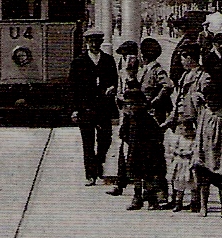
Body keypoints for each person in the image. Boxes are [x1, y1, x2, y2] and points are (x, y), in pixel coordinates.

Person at [69, 28, 117, 186]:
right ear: (87, 42)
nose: (94, 44)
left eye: (97, 41)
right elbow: (72, 88)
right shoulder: (78, 62)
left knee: (106, 138)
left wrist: (112, 88)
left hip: (103, 107)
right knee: (88, 142)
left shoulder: (109, 60)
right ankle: (90, 174)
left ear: (101, 42)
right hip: (85, 107)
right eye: (91, 41)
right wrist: (75, 109)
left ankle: (99, 162)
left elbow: (114, 81)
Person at [118, 88, 166, 210]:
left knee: (148, 176)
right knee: (136, 176)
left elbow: (157, 135)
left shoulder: (147, 119)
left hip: (148, 153)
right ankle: (137, 197)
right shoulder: (129, 119)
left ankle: (151, 198)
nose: (130, 107)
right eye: (128, 104)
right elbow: (123, 133)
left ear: (141, 104)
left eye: (133, 104)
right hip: (134, 151)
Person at [191, 82, 222, 217]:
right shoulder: (204, 112)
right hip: (205, 151)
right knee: (204, 183)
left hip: (220, 152)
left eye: (216, 100)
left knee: (221, 182)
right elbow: (195, 97)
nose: (212, 103)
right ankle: (204, 207)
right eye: (209, 100)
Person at [108, 40, 142, 198]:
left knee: (133, 150)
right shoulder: (123, 69)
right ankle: (120, 182)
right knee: (122, 147)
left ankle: (134, 186)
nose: (128, 59)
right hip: (125, 112)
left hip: (135, 114)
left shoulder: (139, 71)